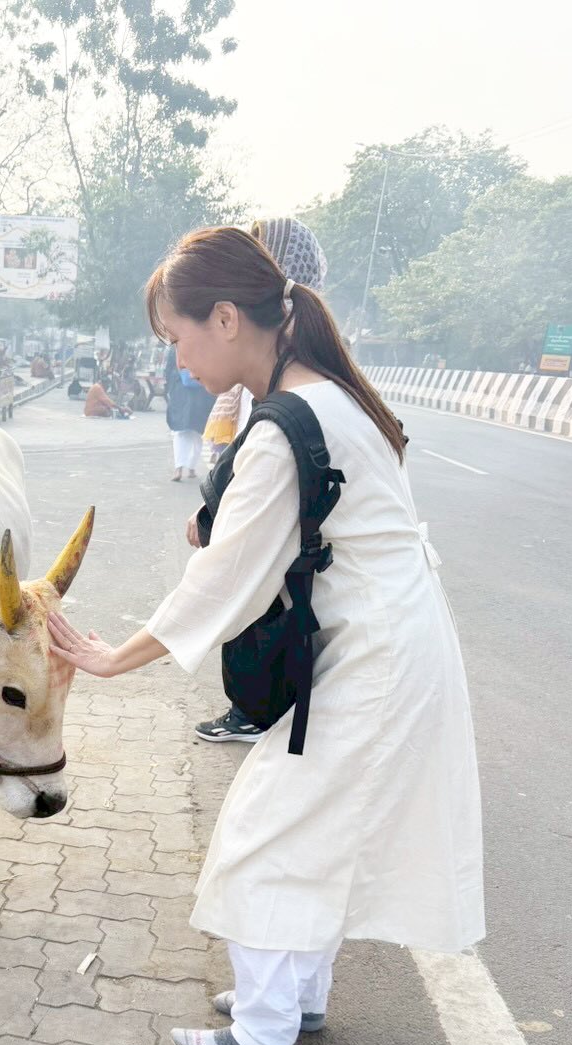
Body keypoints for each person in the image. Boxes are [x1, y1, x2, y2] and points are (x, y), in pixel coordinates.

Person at [48, 225, 483, 1045]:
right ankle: (294, 996)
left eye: (177, 339)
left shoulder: (287, 422)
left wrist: (110, 658)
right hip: (389, 640)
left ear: (223, 319)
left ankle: (262, 1030)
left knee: (266, 825)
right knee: (320, 824)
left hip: (378, 656)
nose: (177, 362)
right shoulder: (319, 391)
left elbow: (221, 581)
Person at [195, 217, 328, 743]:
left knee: (252, 611)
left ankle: (253, 710)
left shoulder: (287, 387)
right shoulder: (303, 367)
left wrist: (117, 657)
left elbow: (264, 450)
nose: (183, 361)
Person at [165, 343, 215, 481]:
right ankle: (190, 467)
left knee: (182, 433)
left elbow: (168, 373)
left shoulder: (174, 348)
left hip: (181, 395)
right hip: (201, 396)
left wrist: (171, 390)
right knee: (196, 434)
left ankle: (179, 468)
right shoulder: (204, 345)